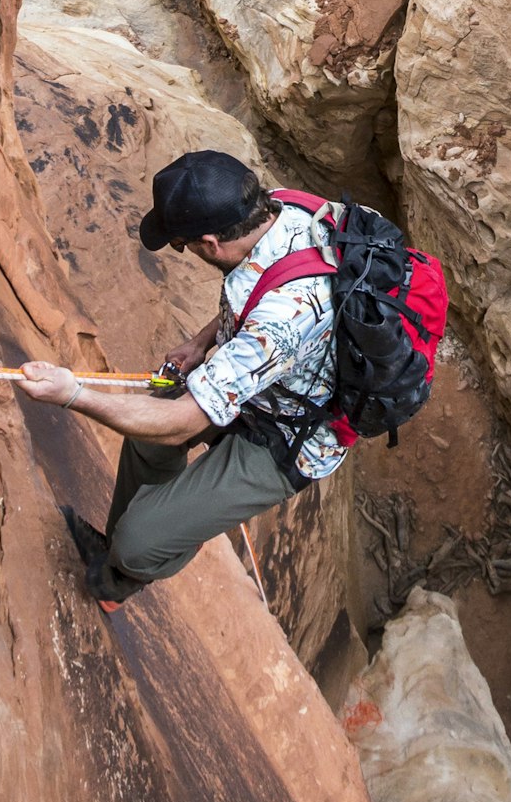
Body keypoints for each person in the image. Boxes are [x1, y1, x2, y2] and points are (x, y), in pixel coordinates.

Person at [18, 147, 349, 608]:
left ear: (211, 243)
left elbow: (187, 420)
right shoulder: (276, 209)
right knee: (149, 433)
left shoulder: (282, 318)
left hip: (290, 434)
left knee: (140, 537)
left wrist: (73, 394)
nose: (184, 251)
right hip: (269, 377)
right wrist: (201, 342)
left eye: (182, 244)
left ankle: (124, 571)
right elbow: (259, 288)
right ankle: (124, 545)